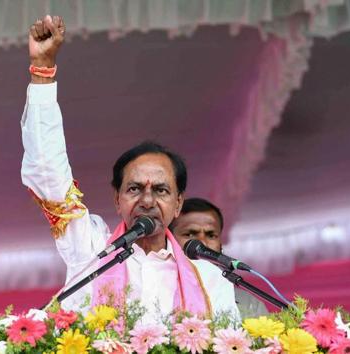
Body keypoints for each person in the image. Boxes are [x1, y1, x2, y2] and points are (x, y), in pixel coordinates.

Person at [21, 15, 239, 323]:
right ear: (117, 199)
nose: (147, 201)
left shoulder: (209, 277)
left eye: (161, 190)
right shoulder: (92, 252)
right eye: (135, 189)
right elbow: (48, 176)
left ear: (178, 204)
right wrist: (42, 71)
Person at [170, 197, 269, 319]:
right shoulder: (154, 292)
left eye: (211, 235)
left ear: (221, 245)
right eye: (190, 234)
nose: (202, 243)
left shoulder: (249, 305)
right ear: (169, 241)